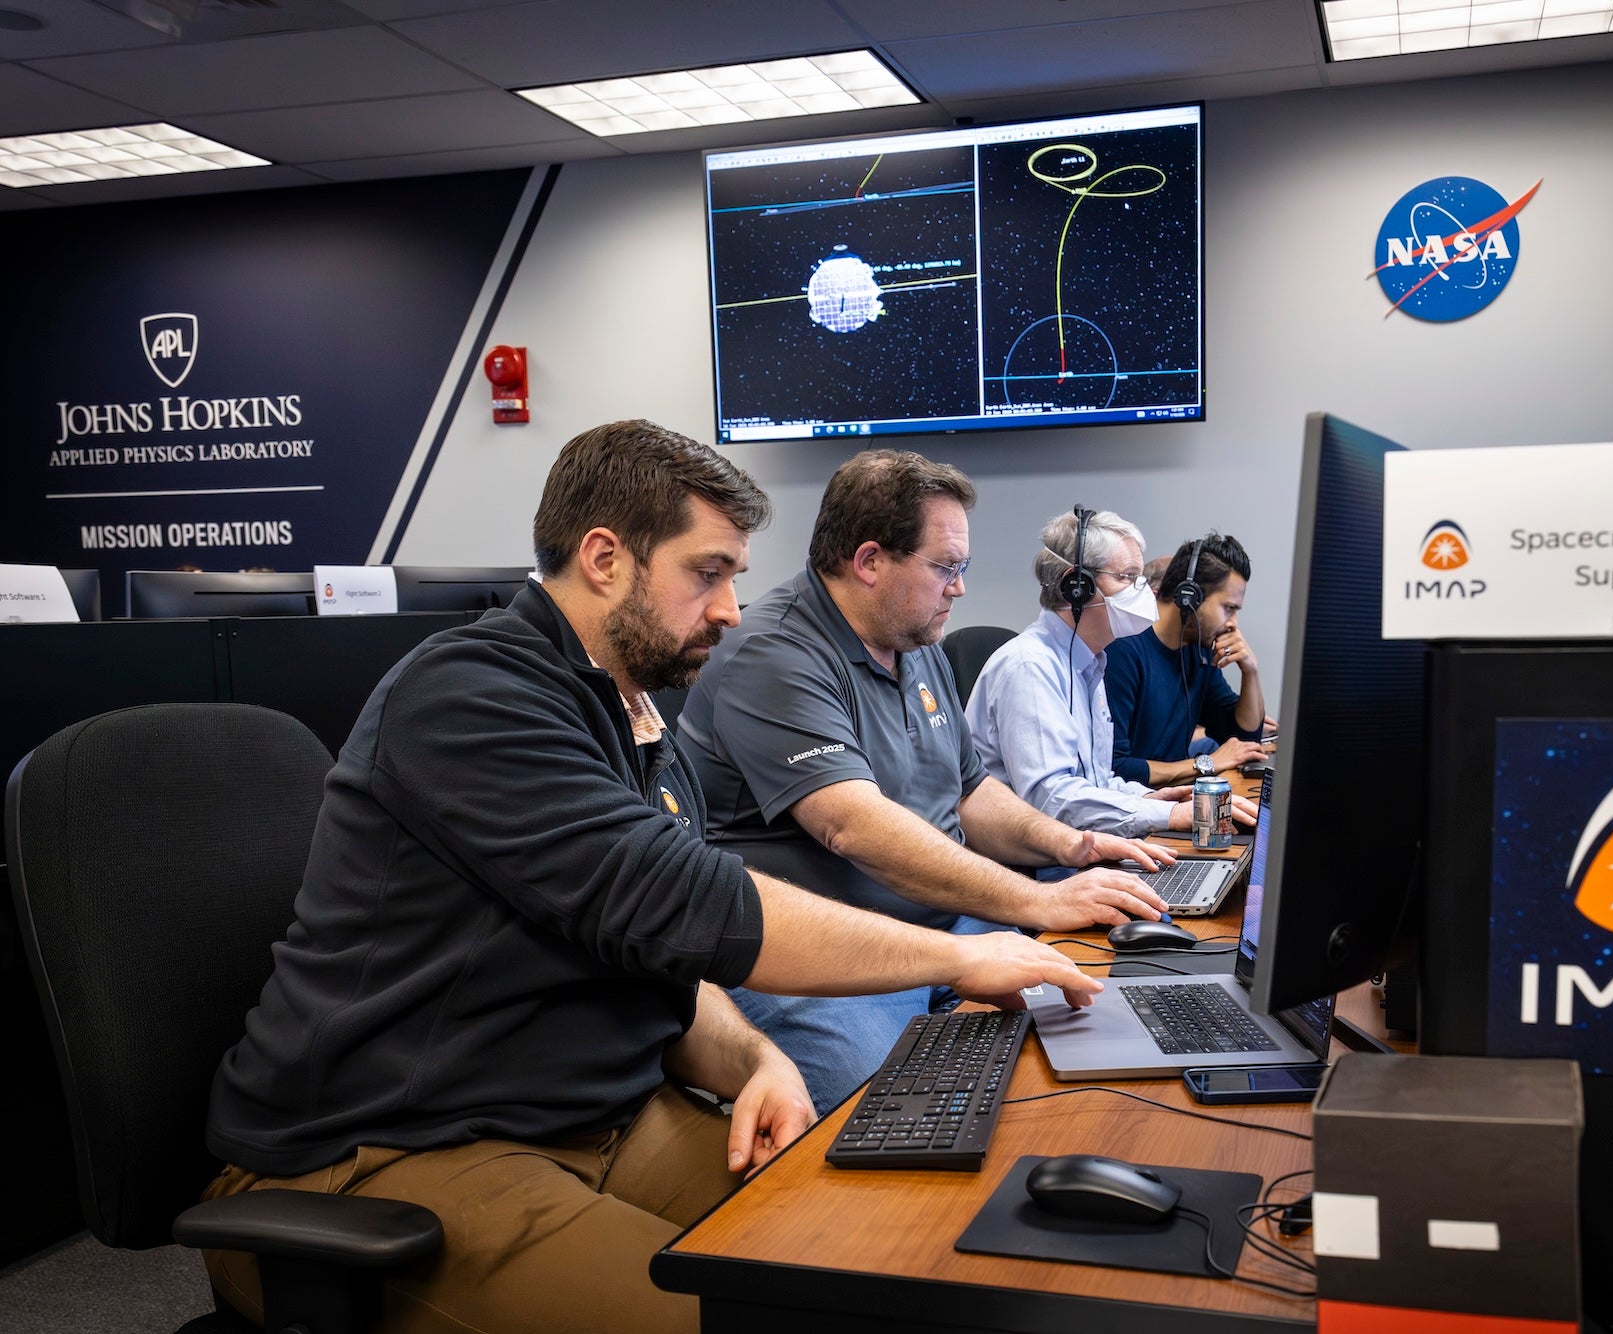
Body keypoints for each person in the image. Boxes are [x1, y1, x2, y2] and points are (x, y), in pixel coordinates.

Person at [199, 421, 1102, 1334]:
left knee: (872, 1256)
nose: (730, 609)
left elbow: (662, 956)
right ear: (604, 558)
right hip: (392, 1149)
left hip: (602, 1116)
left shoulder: (629, 714)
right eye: (708, 573)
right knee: (764, 1316)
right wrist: (957, 960)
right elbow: (690, 903)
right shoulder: (468, 694)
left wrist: (758, 1057)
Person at [676, 450, 1174, 1113]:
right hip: (830, 959)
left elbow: (973, 793)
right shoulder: (775, 652)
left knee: (1096, 1019)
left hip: (943, 928)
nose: (959, 588)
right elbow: (854, 827)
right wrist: (1036, 904)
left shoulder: (916, 644)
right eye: (946, 567)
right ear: (870, 561)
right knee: (888, 1114)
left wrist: (1070, 847)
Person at [965, 506, 1257, 837]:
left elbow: (1098, 781)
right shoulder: (1030, 667)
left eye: (1139, 579)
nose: (1143, 593)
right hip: (1033, 871)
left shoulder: (1090, 663)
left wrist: (1152, 798)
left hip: (1076, 850)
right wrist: (1169, 815)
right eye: (1126, 578)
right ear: (1077, 587)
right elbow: (1052, 799)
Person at [1105, 531, 1268, 786]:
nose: (1233, 625)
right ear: (1190, 597)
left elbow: (1244, 741)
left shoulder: (1197, 648)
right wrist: (1208, 764)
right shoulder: (1123, 649)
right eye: (1229, 608)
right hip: (1132, 811)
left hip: (1171, 801)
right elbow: (1116, 767)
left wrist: (1251, 671)